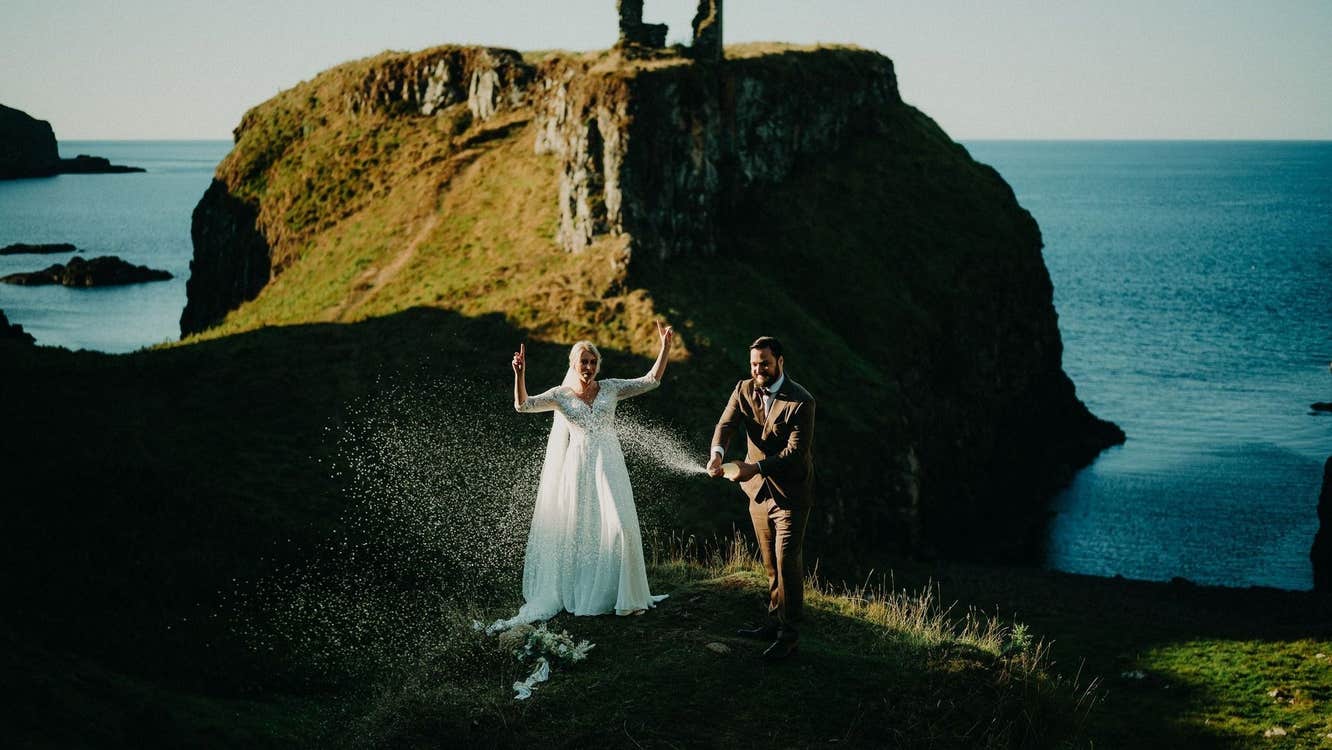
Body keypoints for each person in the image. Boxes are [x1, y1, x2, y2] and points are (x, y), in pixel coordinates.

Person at [492, 321, 674, 631]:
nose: (588, 367)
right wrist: (519, 373)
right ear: (573, 365)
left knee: (620, 528)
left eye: (592, 362)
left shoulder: (612, 387)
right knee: (584, 534)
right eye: (583, 362)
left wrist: (665, 348)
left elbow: (651, 380)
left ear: (598, 365)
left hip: (610, 466)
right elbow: (523, 405)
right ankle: (589, 594)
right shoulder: (561, 395)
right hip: (578, 469)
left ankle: (626, 596)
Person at [706, 336, 815, 660]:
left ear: (779, 362)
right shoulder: (743, 389)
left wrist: (755, 467)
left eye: (764, 364)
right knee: (769, 562)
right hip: (757, 493)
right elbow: (725, 424)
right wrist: (717, 455)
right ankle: (772, 622)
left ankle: (789, 636)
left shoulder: (801, 401)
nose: (758, 370)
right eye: (754, 364)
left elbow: (795, 454)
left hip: (791, 492)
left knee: (787, 562)